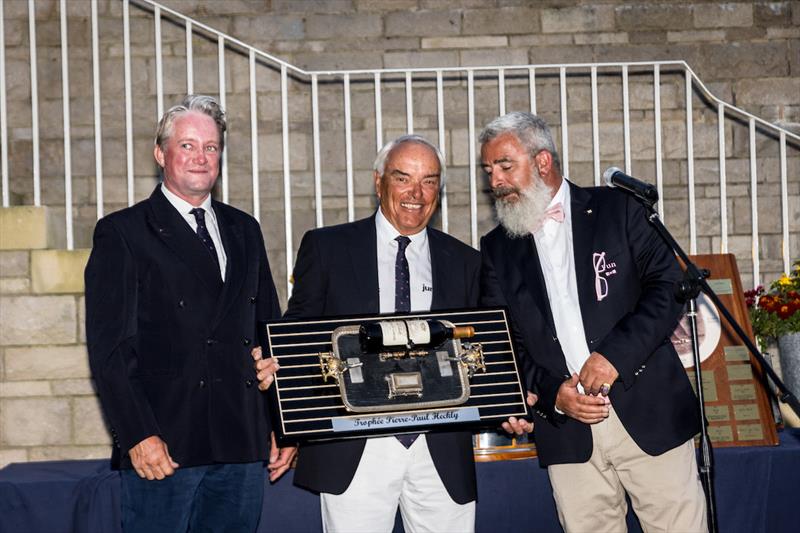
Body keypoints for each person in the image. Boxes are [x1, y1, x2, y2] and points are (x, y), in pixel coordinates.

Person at [478, 111, 707, 532]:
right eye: (489, 169)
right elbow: (501, 341)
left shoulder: (618, 208)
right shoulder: (496, 248)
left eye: (504, 165)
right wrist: (552, 395)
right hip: (566, 429)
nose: (495, 181)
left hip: (645, 410)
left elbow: (669, 286)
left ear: (542, 162)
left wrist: (613, 357)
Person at [85, 95, 295, 533]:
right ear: (160, 153)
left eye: (211, 147)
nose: (201, 157)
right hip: (165, 447)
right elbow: (111, 352)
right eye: (187, 146)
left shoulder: (244, 229)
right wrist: (138, 436)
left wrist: (281, 422)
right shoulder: (122, 233)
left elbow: (267, 334)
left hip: (239, 443)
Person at [256, 135, 484, 532]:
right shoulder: (327, 248)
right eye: (403, 178)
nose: (417, 193)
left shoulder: (465, 261)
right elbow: (299, 337)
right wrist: (288, 423)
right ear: (379, 181)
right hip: (354, 443)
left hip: (439, 446)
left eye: (429, 181)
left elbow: (479, 347)